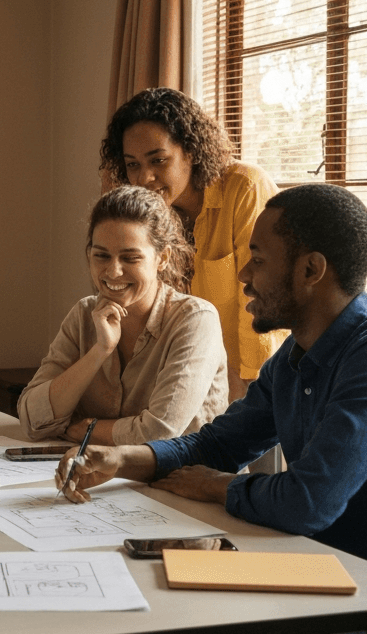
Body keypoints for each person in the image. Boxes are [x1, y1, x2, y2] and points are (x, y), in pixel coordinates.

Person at [58, 184, 367, 634]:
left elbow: (306, 503)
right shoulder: (297, 356)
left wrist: (217, 486)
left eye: (257, 258)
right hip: (314, 574)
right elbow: (216, 444)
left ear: (310, 270)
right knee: (129, 605)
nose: (243, 273)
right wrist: (123, 458)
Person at [101, 88, 282, 403]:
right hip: (180, 383)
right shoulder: (147, 216)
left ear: (192, 152)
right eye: (132, 165)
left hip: (248, 389)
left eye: (158, 160)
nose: (144, 178)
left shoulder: (245, 189)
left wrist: (241, 397)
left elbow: (261, 303)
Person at [18, 186, 229, 446]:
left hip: (189, 481)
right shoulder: (84, 314)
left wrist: (84, 429)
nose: (113, 271)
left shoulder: (196, 320)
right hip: (115, 478)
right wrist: (100, 351)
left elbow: (158, 433)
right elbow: (32, 419)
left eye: (130, 258)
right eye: (101, 256)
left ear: (162, 259)